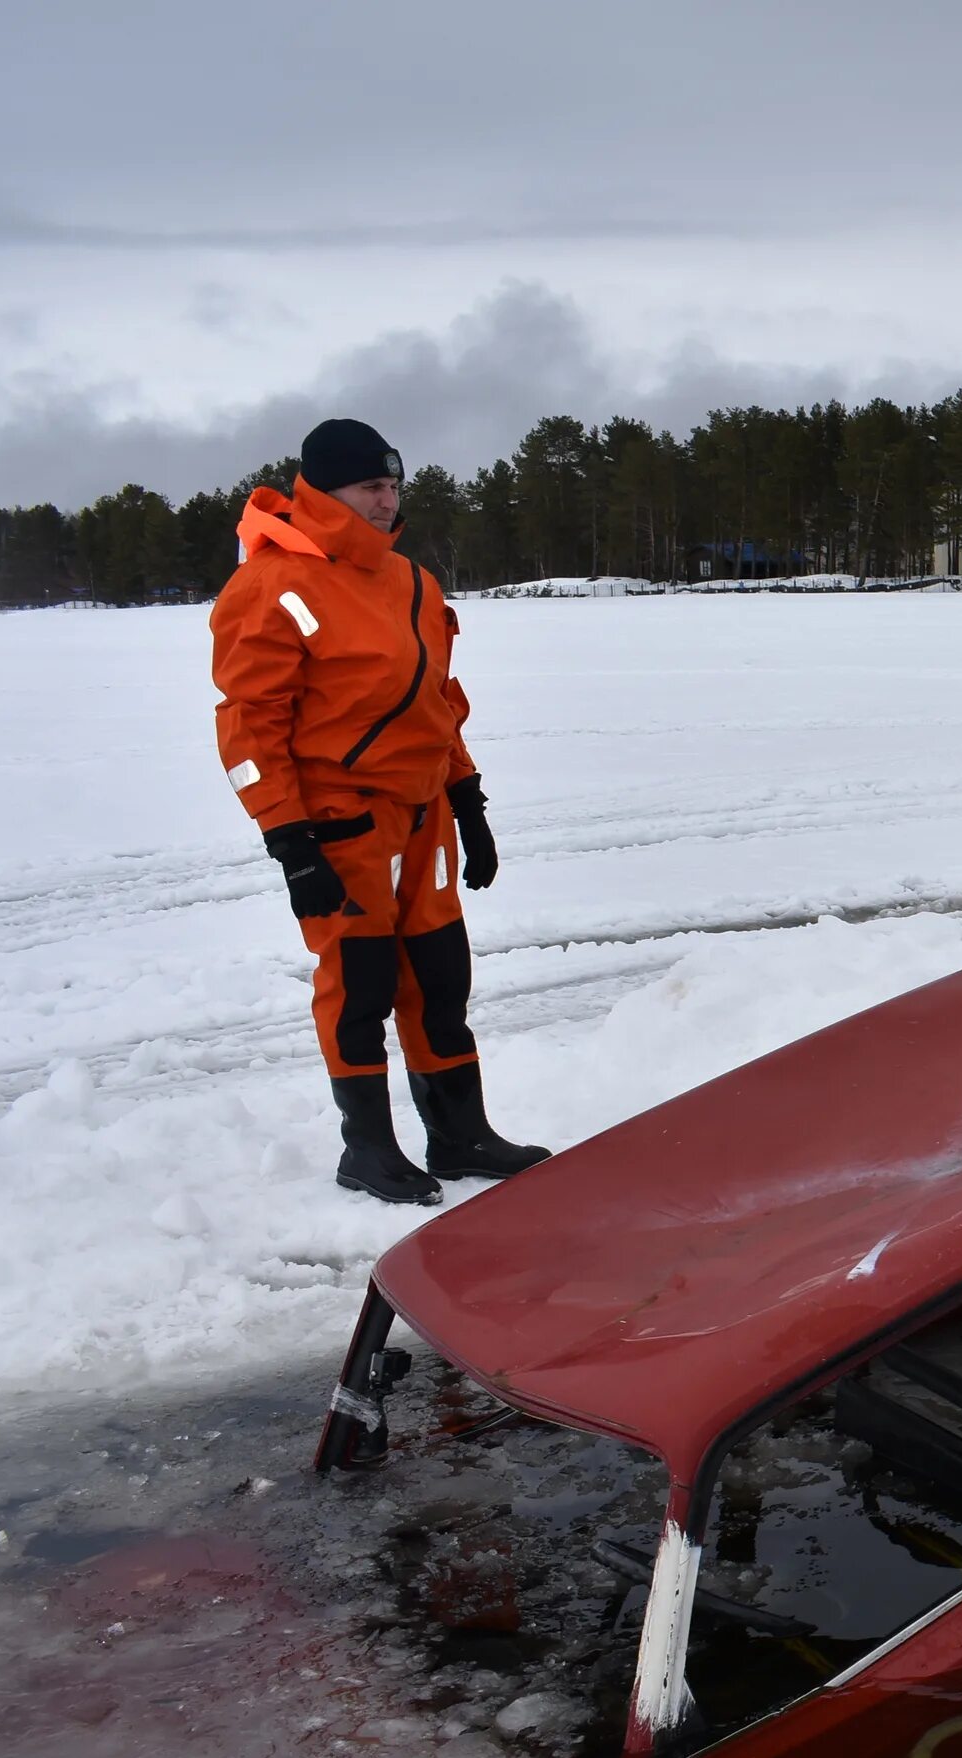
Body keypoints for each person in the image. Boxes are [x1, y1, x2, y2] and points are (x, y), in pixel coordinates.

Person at [210, 419, 550, 1206]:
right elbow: (248, 725)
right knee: (359, 982)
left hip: (423, 811)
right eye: (371, 486)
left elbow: (437, 703)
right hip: (339, 821)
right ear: (323, 492)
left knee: (438, 976)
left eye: (393, 485)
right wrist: (288, 838)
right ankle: (366, 1149)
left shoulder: (412, 581)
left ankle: (460, 1133)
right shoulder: (270, 587)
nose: (386, 499)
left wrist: (467, 797)